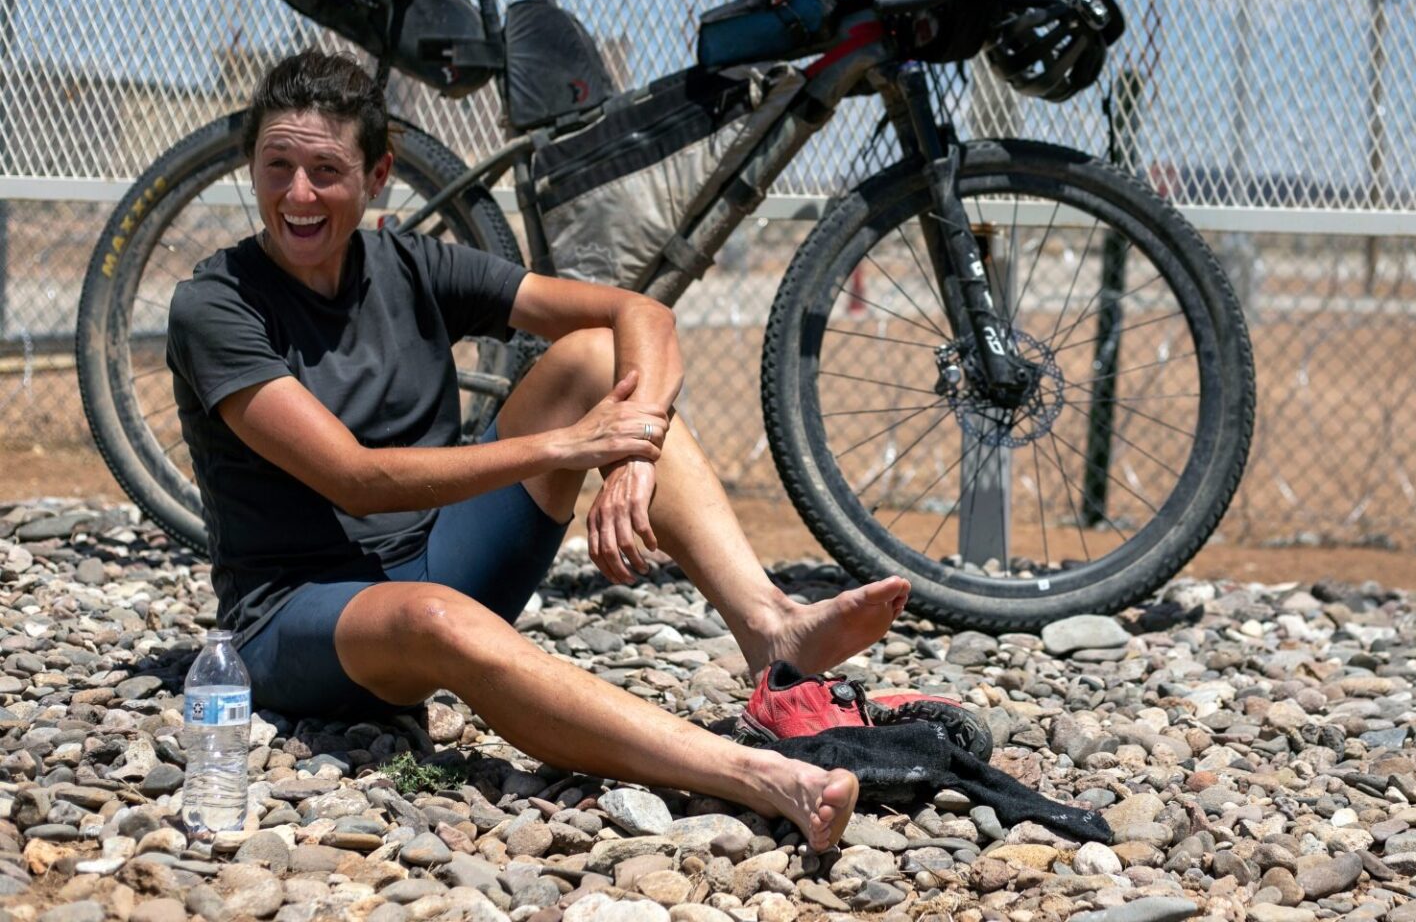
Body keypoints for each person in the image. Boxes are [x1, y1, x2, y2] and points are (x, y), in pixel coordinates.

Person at [166, 48, 910, 850]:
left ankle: (772, 630)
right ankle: (755, 775)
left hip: (438, 555)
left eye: (326, 170)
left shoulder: (409, 264)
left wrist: (630, 453)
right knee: (435, 617)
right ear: (251, 169)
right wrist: (568, 445)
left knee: (593, 356)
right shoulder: (216, 306)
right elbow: (357, 479)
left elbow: (641, 317)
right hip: (300, 616)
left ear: (378, 175)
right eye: (277, 167)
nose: (298, 195)